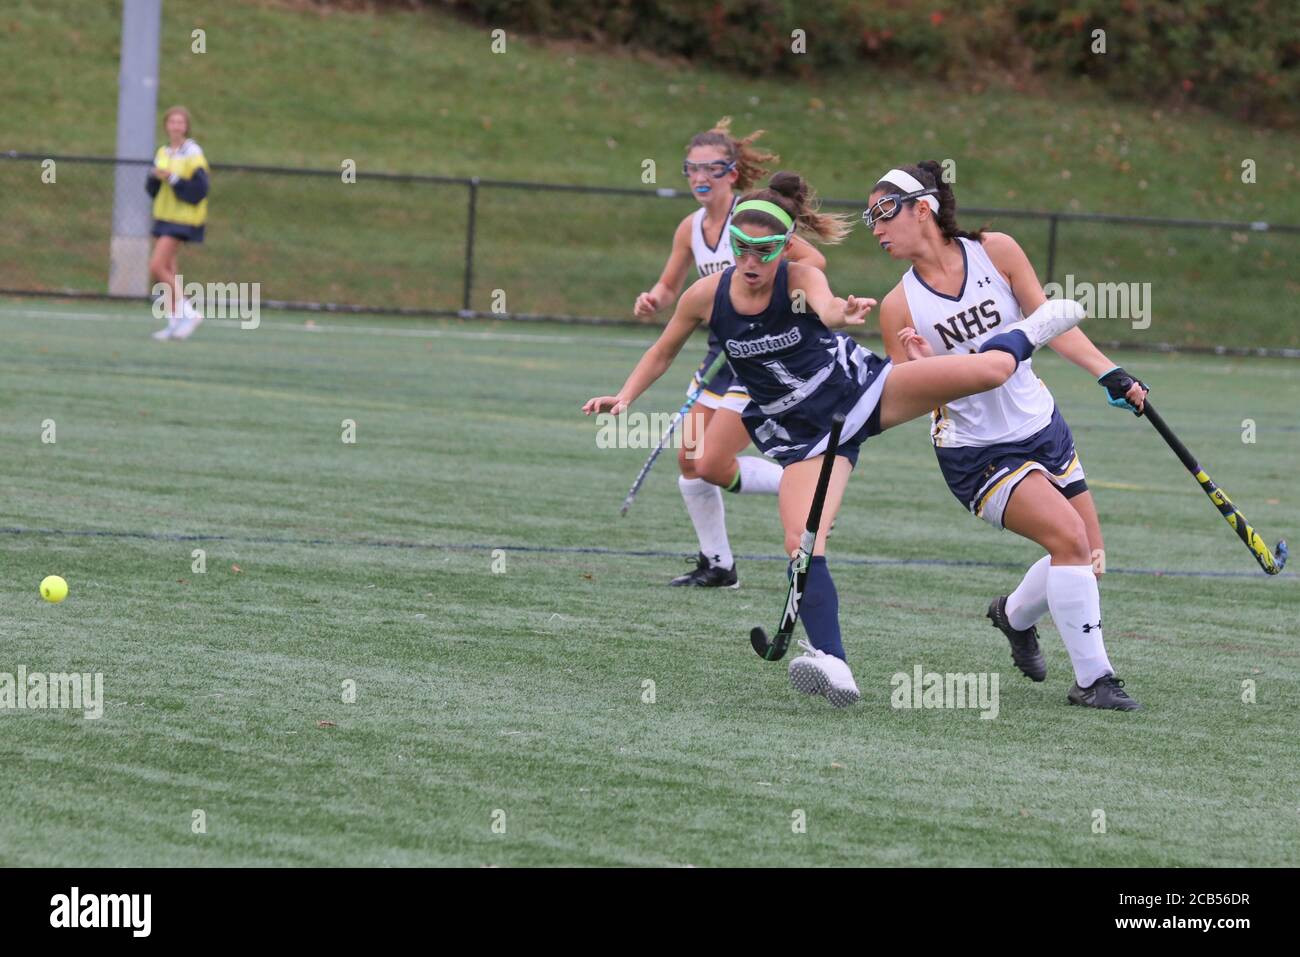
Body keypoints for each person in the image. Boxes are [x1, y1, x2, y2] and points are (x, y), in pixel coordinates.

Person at [584, 172, 1089, 707]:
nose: (752, 262)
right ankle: (835, 663)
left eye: (765, 250)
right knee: (802, 544)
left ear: (785, 246)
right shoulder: (705, 296)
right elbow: (663, 351)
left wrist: (840, 314)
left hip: (862, 392)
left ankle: (1037, 327)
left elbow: (823, 305)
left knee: (986, 372)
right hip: (808, 436)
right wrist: (625, 397)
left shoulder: (798, 278)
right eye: (742, 248)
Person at [870, 161, 1147, 711]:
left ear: (922, 208)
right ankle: (1095, 681)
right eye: (868, 219)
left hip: (1041, 424)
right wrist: (926, 369)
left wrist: (1108, 372)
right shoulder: (898, 306)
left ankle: (1013, 616)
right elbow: (905, 396)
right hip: (976, 451)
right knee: (1067, 539)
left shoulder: (996, 251)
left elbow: (1049, 324)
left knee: (1088, 554)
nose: (875, 228)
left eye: (883, 213)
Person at [634, 118, 834, 587]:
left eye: (712, 168)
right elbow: (670, 286)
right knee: (690, 464)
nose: (700, 178)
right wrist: (654, 299)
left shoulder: (753, 216)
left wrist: (769, 293)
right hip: (717, 354)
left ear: (732, 172)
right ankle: (719, 564)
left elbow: (814, 262)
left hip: (759, 355)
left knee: (710, 464)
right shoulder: (690, 228)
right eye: (692, 169)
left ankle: (804, 489)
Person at [146, 105, 210, 341]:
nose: (176, 126)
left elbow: (200, 188)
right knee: (169, 269)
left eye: (180, 122)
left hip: (183, 219)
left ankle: (189, 312)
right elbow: (152, 188)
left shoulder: (192, 152)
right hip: (164, 215)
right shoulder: (163, 152)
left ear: (186, 126)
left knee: (156, 267)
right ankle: (174, 323)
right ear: (166, 125)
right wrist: (154, 177)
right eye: (172, 122)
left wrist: (172, 178)